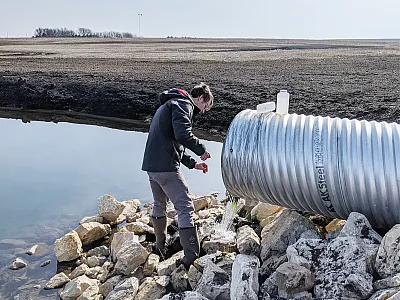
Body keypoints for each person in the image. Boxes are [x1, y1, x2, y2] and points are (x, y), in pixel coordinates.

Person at [142, 83, 214, 269]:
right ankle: (191, 257)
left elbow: (172, 141)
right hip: (166, 167)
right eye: (205, 107)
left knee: (160, 204)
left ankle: (160, 246)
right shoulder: (184, 104)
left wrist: (194, 164)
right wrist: (202, 150)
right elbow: (183, 134)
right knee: (185, 207)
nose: (203, 112)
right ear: (200, 99)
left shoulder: (170, 104)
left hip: (152, 166)